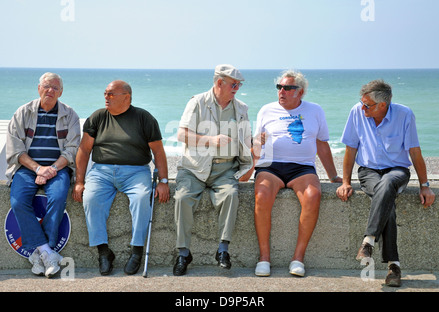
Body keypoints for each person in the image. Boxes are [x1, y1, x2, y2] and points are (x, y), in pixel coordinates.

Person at [336, 79, 435, 287]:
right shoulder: (357, 112)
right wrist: (345, 181)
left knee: (389, 182)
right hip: (368, 172)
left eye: (367, 105)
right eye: (362, 103)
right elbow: (350, 149)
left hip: (397, 171)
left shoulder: (404, 115)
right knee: (386, 199)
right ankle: (394, 266)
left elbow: (414, 152)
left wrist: (424, 185)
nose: (362, 107)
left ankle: (369, 239)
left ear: (383, 105)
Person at [247, 70, 341, 278]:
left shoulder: (315, 111)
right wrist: (252, 158)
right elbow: (256, 143)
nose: (282, 91)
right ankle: (264, 258)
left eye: (288, 88)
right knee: (261, 195)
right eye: (279, 87)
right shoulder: (266, 110)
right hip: (270, 166)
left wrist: (334, 177)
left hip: (302, 168)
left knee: (313, 195)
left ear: (300, 92)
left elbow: (322, 145)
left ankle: (298, 258)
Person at [72, 80, 170, 276]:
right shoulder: (98, 117)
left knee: (143, 198)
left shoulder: (144, 118)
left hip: (136, 171)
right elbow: (84, 150)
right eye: (105, 93)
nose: (106, 97)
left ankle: (137, 251)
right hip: (101, 171)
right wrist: (80, 181)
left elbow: (158, 152)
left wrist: (163, 181)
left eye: (111, 94)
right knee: (91, 199)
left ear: (127, 97)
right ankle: (103, 252)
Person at [173, 64, 253, 276]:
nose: (237, 88)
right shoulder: (197, 102)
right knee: (182, 198)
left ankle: (223, 250)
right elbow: (181, 135)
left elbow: (245, 141)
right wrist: (211, 140)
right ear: (220, 83)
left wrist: (250, 164)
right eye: (234, 84)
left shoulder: (242, 108)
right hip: (194, 168)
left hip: (225, 169)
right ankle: (183, 253)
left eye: (239, 85)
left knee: (231, 195)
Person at [6, 72, 81, 278]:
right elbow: (16, 150)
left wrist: (52, 169)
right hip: (27, 169)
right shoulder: (23, 112)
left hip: (58, 169)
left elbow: (72, 149)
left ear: (61, 92)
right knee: (19, 201)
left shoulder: (70, 115)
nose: (50, 90)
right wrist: (38, 169)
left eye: (55, 88)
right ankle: (47, 252)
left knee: (57, 199)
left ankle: (39, 255)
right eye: (46, 86)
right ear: (38, 88)